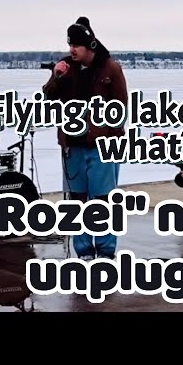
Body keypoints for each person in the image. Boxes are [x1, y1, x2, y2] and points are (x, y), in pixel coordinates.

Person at [43, 16, 128, 261]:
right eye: (70, 44)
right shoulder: (65, 67)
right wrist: (55, 76)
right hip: (73, 145)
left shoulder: (110, 68)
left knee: (102, 199)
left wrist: (113, 137)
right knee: (76, 200)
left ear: (89, 46)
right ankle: (84, 251)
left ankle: (105, 250)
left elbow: (120, 106)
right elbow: (48, 99)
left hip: (101, 145)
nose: (72, 49)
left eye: (77, 45)